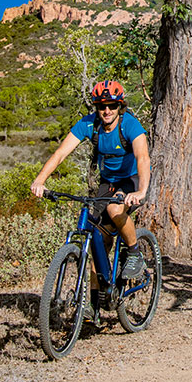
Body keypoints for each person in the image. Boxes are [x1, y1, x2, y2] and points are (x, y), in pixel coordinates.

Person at [30, 79, 151, 321]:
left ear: (120, 106)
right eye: (101, 106)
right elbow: (61, 153)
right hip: (107, 182)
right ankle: (94, 305)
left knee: (117, 210)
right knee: (95, 239)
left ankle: (135, 252)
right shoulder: (89, 125)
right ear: (96, 107)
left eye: (112, 106)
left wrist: (141, 191)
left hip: (132, 179)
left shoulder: (130, 124)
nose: (107, 111)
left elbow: (143, 157)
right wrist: (40, 180)